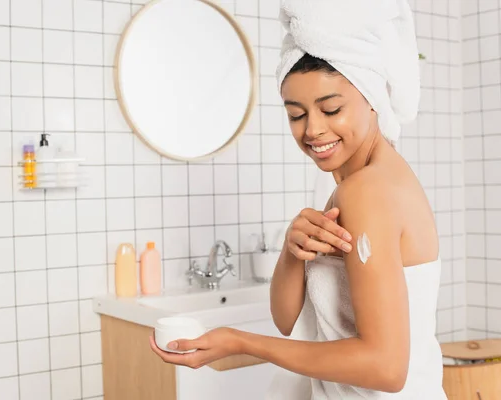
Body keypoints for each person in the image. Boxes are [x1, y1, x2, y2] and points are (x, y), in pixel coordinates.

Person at [150, 0, 448, 398]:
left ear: (372, 97)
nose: (313, 130)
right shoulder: (359, 183)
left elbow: (386, 368)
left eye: (331, 108)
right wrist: (293, 250)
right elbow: (285, 318)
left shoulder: (366, 192)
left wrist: (242, 342)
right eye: (296, 114)